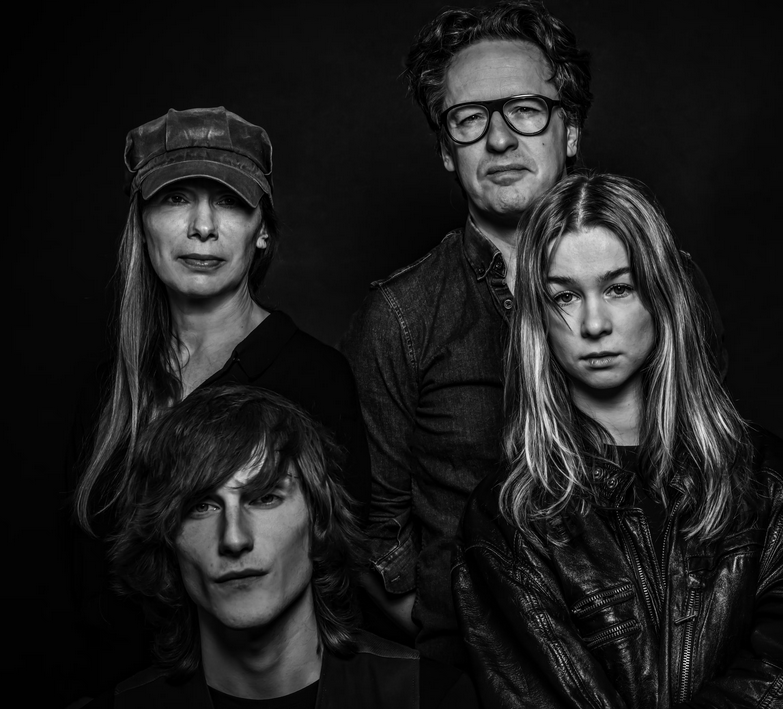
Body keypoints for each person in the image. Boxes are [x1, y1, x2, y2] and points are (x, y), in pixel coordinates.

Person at [341, 0, 726, 667]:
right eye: (469, 118)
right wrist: (470, 641)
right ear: (445, 149)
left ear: (569, 129)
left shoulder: (668, 282)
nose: (499, 140)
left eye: (525, 109)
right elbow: (376, 532)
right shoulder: (401, 316)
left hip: (658, 668)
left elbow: (711, 469)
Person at [452, 173, 783, 708]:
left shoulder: (780, 487)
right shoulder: (508, 518)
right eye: (564, 296)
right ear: (538, 319)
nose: (594, 323)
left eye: (619, 288)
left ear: (661, 294)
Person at [64, 106, 369, 698]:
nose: (202, 227)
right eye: (175, 198)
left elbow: (345, 573)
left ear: (262, 229)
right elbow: (79, 590)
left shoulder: (314, 378)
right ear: (142, 224)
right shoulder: (107, 392)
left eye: (229, 201)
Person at [83, 384, 476, 708]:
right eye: (201, 506)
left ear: (318, 519)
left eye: (265, 498)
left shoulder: (431, 698)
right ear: (166, 537)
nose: (234, 539)